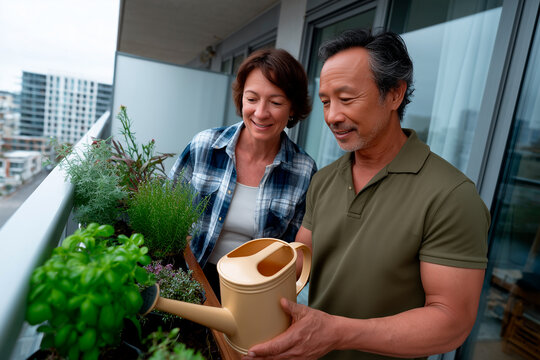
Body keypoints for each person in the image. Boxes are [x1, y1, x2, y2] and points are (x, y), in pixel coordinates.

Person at [243, 29, 490, 360]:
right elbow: (301, 260)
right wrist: (244, 281)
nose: (332, 116)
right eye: (326, 102)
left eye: (346, 99)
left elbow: (452, 322)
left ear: (394, 95)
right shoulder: (324, 179)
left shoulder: (451, 195)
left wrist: (338, 333)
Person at [169, 48, 317, 298]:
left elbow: (293, 254)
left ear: (292, 108)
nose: (260, 112)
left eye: (276, 102)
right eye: (252, 99)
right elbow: (167, 213)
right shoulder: (205, 146)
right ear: (241, 100)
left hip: (253, 296)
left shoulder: (303, 171)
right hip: (188, 279)